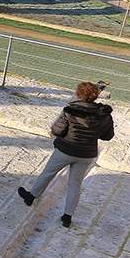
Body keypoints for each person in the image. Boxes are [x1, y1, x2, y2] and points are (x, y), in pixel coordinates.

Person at [17, 81, 116, 227]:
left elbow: (57, 131)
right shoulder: (104, 115)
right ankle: (67, 217)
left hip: (65, 149)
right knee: (75, 184)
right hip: (86, 154)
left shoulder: (70, 110)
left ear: (78, 94)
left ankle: (31, 197)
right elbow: (107, 136)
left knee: (48, 173)